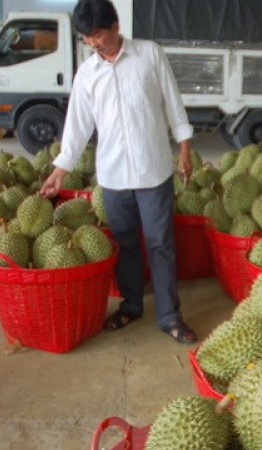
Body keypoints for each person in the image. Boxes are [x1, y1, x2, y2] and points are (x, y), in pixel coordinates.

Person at [39, 0, 198, 344]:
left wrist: (184, 151)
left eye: (97, 34)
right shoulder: (88, 74)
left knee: (160, 244)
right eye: (86, 38)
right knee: (124, 244)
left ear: (115, 26)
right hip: (112, 175)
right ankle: (131, 306)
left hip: (153, 169)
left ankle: (170, 316)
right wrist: (61, 170)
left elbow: (174, 104)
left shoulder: (149, 55)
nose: (93, 43)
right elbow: (77, 127)